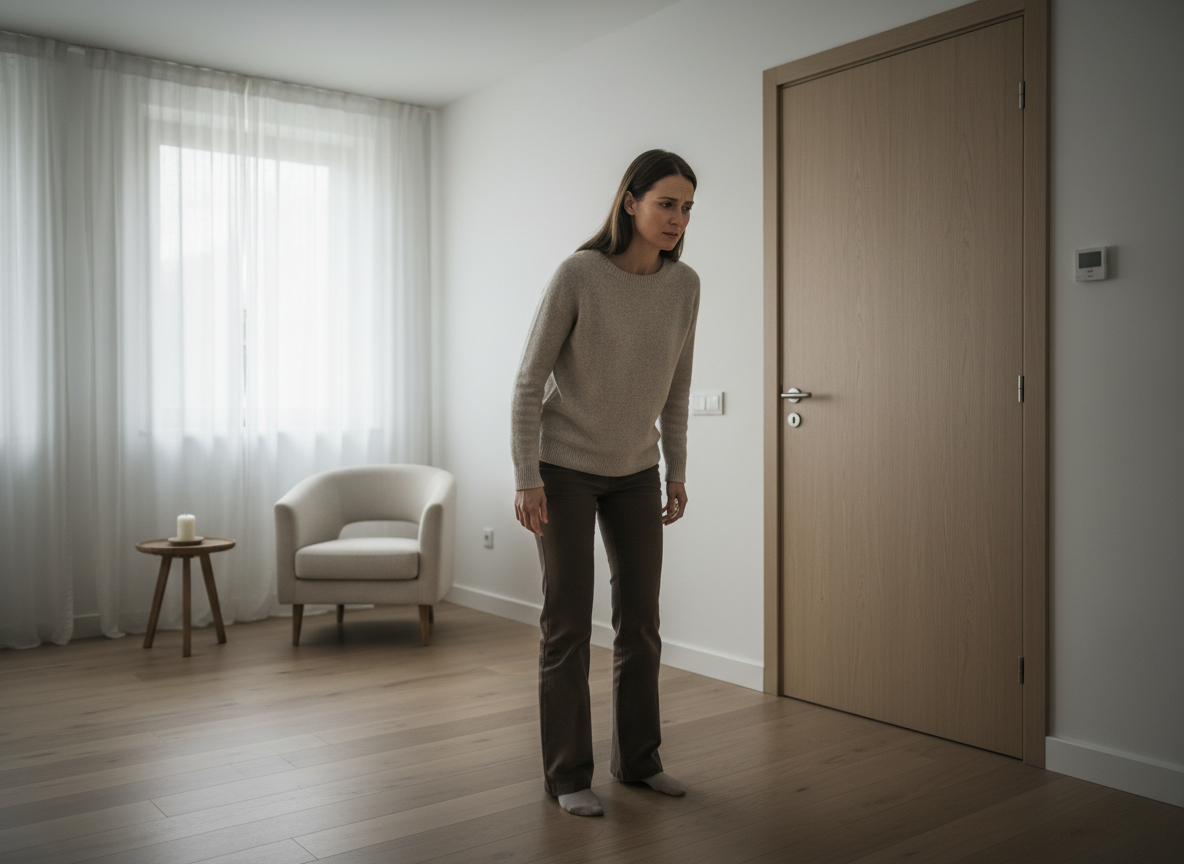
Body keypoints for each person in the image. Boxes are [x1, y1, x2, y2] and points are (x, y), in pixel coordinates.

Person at [511, 149, 700, 817]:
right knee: (566, 624)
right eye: (666, 203)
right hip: (561, 470)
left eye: (686, 207)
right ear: (630, 202)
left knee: (640, 623)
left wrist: (676, 469)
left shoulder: (685, 286)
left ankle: (640, 762)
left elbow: (677, 390)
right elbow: (530, 381)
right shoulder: (579, 274)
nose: (677, 218)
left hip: (634, 474)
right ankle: (567, 776)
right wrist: (526, 474)